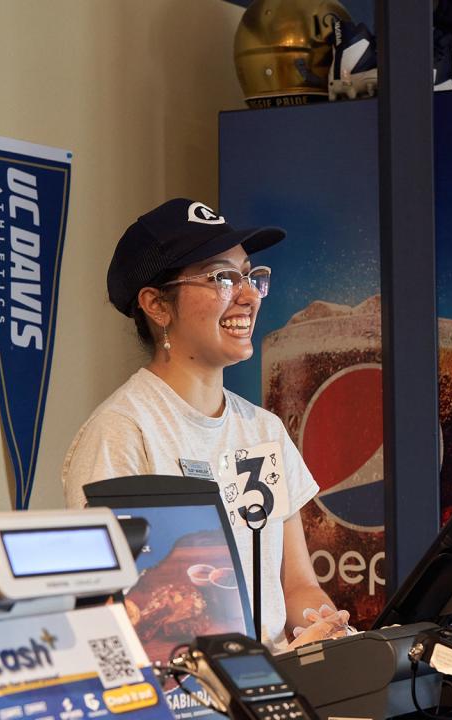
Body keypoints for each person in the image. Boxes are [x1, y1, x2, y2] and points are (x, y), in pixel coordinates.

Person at [63, 198, 349, 650]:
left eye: (251, 276)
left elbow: (296, 586)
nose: (250, 295)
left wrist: (327, 630)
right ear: (156, 305)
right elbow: (111, 611)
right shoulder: (123, 431)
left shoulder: (264, 430)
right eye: (222, 277)